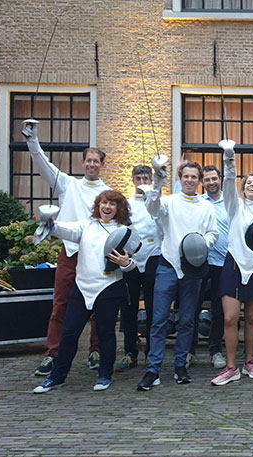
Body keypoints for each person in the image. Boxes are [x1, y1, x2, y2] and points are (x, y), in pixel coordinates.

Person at [22, 121, 111, 376]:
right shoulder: (67, 184)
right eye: (89, 160)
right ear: (83, 163)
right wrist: (32, 139)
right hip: (70, 253)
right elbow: (42, 164)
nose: (92, 164)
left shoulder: (109, 193)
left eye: (97, 161)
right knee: (60, 304)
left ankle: (96, 350)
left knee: (98, 305)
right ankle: (53, 353)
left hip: (96, 256)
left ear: (102, 165)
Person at [33, 190, 135, 393]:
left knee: (106, 333)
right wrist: (50, 222)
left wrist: (127, 263)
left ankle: (105, 375)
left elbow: (133, 264)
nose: (107, 207)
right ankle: (56, 377)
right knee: (69, 332)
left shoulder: (125, 231)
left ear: (119, 209)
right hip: (82, 288)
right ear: (98, 206)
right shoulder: (86, 225)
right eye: (104, 203)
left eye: (112, 204)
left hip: (108, 289)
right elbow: (64, 230)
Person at [137, 160, 218, 391]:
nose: (190, 180)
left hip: (193, 269)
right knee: (159, 319)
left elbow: (214, 233)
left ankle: (180, 365)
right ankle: (153, 369)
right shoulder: (169, 202)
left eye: (194, 177)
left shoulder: (206, 206)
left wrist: (202, 244)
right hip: (168, 266)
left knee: (187, 320)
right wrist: (159, 180)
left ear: (199, 181)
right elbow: (152, 208)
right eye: (186, 176)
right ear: (180, 178)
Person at [210, 142, 253, 385]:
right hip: (234, 264)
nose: (251, 184)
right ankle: (231, 367)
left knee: (252, 318)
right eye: (247, 181)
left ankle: (250, 361)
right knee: (230, 318)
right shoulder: (234, 206)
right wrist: (230, 157)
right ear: (243, 186)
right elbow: (228, 182)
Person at [117, 166, 162, 372]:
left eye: (146, 178)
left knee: (154, 307)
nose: (142, 181)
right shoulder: (125, 204)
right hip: (131, 260)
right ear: (133, 180)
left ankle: (152, 351)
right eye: (138, 178)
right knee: (129, 307)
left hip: (154, 256)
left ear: (151, 179)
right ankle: (130, 351)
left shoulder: (158, 202)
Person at [194, 165, 229, 369]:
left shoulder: (231, 201)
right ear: (202, 182)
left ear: (220, 179)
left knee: (219, 309)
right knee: (192, 306)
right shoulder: (199, 202)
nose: (211, 182)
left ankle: (215, 350)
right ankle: (189, 350)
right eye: (206, 180)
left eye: (214, 178)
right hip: (200, 261)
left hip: (223, 263)